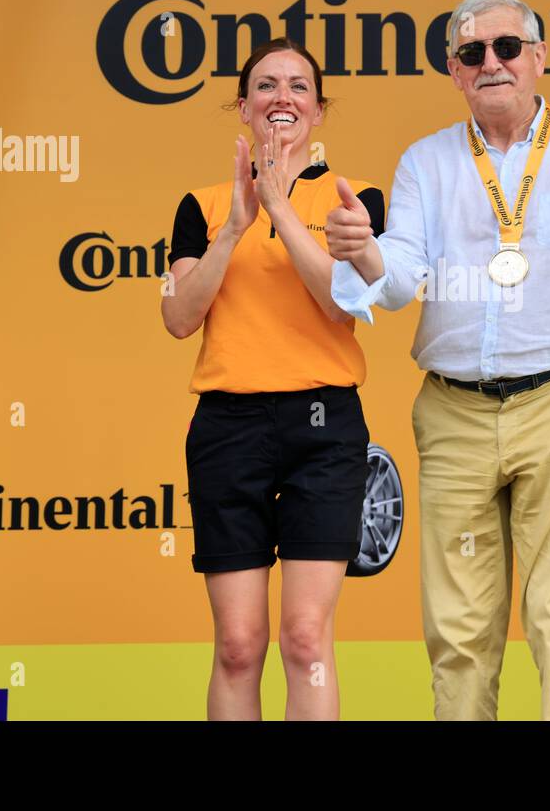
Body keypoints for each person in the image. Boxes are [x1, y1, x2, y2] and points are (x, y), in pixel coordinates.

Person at [326, 0, 550, 720]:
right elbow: (398, 280)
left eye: (507, 47)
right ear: (454, 72)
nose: (491, 62)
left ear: (540, 59)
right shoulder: (426, 161)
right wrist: (362, 253)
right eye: (471, 52)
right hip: (454, 414)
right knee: (458, 636)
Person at [162, 37, 385, 721]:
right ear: (243, 106)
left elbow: (342, 303)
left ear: (318, 110)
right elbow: (178, 317)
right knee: (236, 643)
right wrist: (235, 226)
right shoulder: (200, 205)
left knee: (306, 636)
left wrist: (280, 206)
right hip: (229, 428)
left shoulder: (356, 197)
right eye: (265, 85)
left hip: (325, 427)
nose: (281, 97)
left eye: (297, 86)